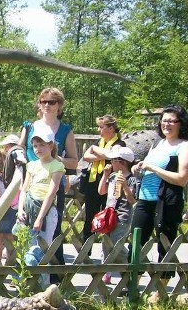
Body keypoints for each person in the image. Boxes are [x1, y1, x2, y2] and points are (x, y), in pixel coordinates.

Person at [18, 87, 78, 281]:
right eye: (43, 102)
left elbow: (74, 162)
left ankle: (55, 279)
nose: (46, 106)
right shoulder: (29, 126)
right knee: (27, 231)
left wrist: (55, 159)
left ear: (59, 105)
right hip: (30, 183)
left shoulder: (66, 130)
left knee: (52, 231)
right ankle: (27, 275)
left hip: (52, 185)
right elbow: (18, 148)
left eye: (51, 102)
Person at [130, 104, 188, 288]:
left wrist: (153, 168)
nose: (167, 125)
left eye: (171, 121)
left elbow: (181, 179)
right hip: (144, 199)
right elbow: (146, 166)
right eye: (164, 121)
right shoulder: (157, 143)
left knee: (165, 244)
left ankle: (160, 291)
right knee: (136, 242)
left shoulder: (183, 146)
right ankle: (132, 286)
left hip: (167, 202)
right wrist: (137, 168)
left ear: (181, 123)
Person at [17, 124, 65, 288]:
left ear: (51, 145)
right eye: (35, 146)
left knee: (43, 249)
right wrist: (20, 209)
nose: (38, 149)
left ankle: (45, 286)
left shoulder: (56, 166)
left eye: (42, 145)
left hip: (45, 211)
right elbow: (24, 189)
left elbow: (51, 193)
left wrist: (40, 217)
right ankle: (29, 284)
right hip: (29, 208)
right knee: (28, 248)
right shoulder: (31, 165)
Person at [80, 115, 126, 242]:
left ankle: (108, 249)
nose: (98, 130)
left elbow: (113, 155)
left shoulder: (119, 144)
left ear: (111, 128)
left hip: (110, 184)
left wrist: (96, 151)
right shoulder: (98, 143)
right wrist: (100, 153)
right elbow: (86, 156)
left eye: (101, 127)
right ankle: (86, 250)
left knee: (109, 215)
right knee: (90, 216)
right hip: (93, 182)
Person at [97, 145, 137, 284]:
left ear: (122, 162)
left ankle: (132, 272)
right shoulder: (113, 176)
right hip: (108, 215)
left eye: (113, 160)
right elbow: (101, 191)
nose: (110, 163)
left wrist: (125, 186)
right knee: (105, 244)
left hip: (122, 217)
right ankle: (106, 272)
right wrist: (105, 175)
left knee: (116, 246)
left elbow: (132, 200)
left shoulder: (132, 179)